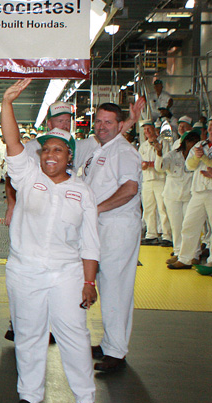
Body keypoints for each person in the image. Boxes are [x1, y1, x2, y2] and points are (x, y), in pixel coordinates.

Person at [0, 79, 101, 403]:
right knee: (29, 334)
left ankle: (86, 401)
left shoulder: (82, 192)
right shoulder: (29, 178)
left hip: (66, 274)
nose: (50, 156)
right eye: (45, 150)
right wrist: (7, 104)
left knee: (74, 335)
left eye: (58, 150)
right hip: (25, 271)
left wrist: (89, 282)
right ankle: (30, 395)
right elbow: (13, 143)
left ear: (69, 156)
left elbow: (90, 241)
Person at [75, 103, 142, 373]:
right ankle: (109, 342)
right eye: (99, 121)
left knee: (116, 286)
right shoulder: (101, 148)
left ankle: (116, 352)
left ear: (119, 125)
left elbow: (130, 188)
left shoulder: (125, 152)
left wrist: (97, 209)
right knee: (103, 282)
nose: (102, 127)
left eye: (108, 122)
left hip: (117, 226)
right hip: (99, 225)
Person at [168, 122, 212, 269]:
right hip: (199, 190)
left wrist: (204, 159)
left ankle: (211, 260)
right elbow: (190, 166)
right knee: (189, 224)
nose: (211, 129)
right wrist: (198, 157)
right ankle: (186, 258)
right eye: (210, 126)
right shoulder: (201, 145)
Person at [157, 131, 200, 264]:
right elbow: (160, 167)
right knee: (176, 226)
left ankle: (194, 254)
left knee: (190, 225)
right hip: (172, 196)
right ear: (184, 142)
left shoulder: (197, 156)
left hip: (190, 195)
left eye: (194, 140)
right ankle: (178, 252)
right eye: (189, 140)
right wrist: (159, 153)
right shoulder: (173, 155)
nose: (192, 144)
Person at [139, 120, 170, 246]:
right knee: (148, 208)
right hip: (147, 179)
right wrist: (143, 165)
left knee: (163, 207)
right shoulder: (143, 146)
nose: (147, 132)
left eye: (149, 129)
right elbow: (139, 161)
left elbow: (166, 160)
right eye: (145, 130)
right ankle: (151, 234)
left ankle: (166, 234)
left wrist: (150, 164)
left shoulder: (164, 143)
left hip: (160, 179)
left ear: (155, 130)